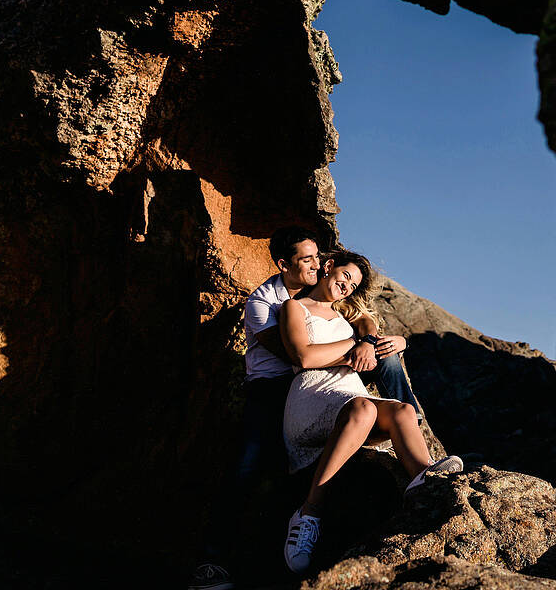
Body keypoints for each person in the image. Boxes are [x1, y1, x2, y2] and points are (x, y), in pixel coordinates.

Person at [189, 227, 425, 590]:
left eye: (319, 257)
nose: (318, 264)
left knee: (388, 358)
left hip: (329, 375)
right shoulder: (266, 302)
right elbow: (299, 355)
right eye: (307, 260)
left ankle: (412, 423)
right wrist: (355, 347)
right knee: (248, 467)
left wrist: (374, 339)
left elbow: (362, 316)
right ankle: (212, 562)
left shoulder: (329, 293)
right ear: (285, 265)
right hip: (274, 385)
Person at [280, 250, 462, 574]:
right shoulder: (295, 307)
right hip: (311, 392)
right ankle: (308, 513)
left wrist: (383, 340)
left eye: (353, 285)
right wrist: (355, 348)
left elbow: (371, 328)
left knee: (403, 411)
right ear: (329, 266)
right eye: (345, 277)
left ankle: (423, 478)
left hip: (348, 391)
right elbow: (304, 356)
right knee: (363, 408)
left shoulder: (346, 316)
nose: (347, 286)